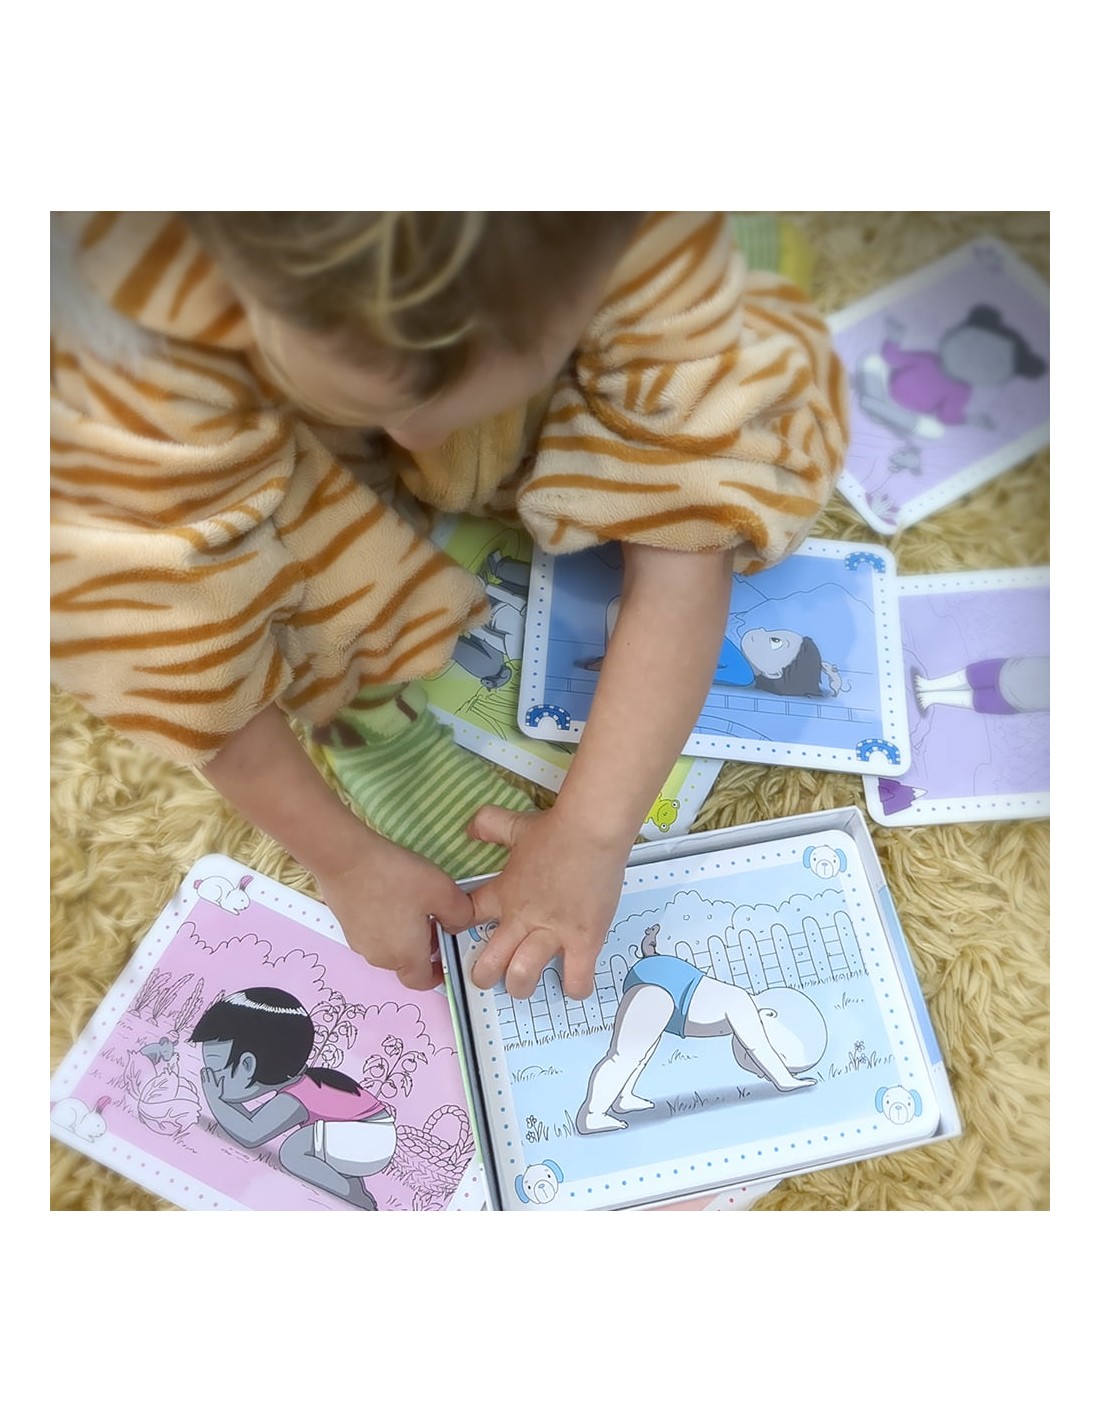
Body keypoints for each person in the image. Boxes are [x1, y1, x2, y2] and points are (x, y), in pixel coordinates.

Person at [51, 211, 849, 1003]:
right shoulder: (130, 351)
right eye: (383, 393)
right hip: (266, 435)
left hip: (588, 305)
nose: (413, 432)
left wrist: (592, 832)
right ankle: (374, 722)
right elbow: (162, 640)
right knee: (165, 577)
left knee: (740, 403)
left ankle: (690, 291)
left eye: (442, 392)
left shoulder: (620, 231)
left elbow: (688, 538)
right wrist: (343, 859)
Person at [576, 924, 827, 1133]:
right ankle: (592, 1114)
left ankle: (623, 1097)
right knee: (625, 1056)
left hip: (667, 993)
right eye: (780, 1058)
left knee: (642, 1053)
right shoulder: (741, 1003)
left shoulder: (734, 1000)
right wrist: (784, 1080)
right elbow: (757, 1046)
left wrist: (650, 954)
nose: (763, 1072)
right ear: (770, 1014)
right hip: (659, 992)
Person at [191, 987, 396, 1210]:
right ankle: (347, 1183)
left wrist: (215, 1100)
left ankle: (352, 1194)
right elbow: (250, 1122)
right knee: (305, 1145)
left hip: (369, 1137)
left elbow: (251, 1134)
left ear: (247, 1065)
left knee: (293, 1153)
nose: (209, 1077)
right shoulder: (300, 1085)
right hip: (368, 1135)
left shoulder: (298, 1094)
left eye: (214, 1070)